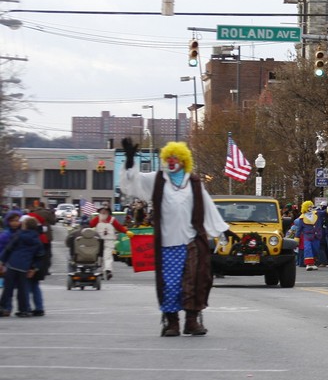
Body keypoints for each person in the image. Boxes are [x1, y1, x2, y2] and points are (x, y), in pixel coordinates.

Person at [120, 138, 230, 337]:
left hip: (191, 242)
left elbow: (208, 208)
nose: (172, 161)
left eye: (176, 158)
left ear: (184, 160)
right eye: (168, 158)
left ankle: (191, 321)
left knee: (194, 281)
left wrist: (223, 229)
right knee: (170, 284)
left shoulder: (194, 183)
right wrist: (129, 161)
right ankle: (171, 322)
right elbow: (133, 183)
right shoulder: (157, 179)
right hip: (168, 243)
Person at [0, 215, 46, 318]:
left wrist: (2, 261)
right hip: (25, 266)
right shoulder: (37, 240)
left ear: (25, 226)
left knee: (8, 288)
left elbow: (9, 248)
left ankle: (3, 307)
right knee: (23, 289)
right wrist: (33, 268)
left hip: (13, 263)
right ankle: (24, 310)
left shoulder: (19, 235)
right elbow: (39, 256)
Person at [89, 204, 131, 280]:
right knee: (99, 257)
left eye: (105, 211)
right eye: (102, 211)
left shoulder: (112, 220)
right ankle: (100, 272)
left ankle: (108, 270)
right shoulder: (97, 219)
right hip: (98, 241)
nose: (103, 213)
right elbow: (90, 225)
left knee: (107, 256)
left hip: (109, 241)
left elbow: (119, 227)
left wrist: (127, 232)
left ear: (108, 212)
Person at [290, 201, 323, 271]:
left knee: (315, 249)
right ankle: (308, 264)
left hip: (316, 235)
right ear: (305, 208)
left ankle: (312, 263)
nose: (310, 208)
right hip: (307, 236)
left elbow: (324, 213)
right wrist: (296, 239)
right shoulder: (302, 218)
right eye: (309, 206)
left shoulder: (317, 214)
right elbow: (299, 230)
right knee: (308, 249)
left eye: (311, 206)